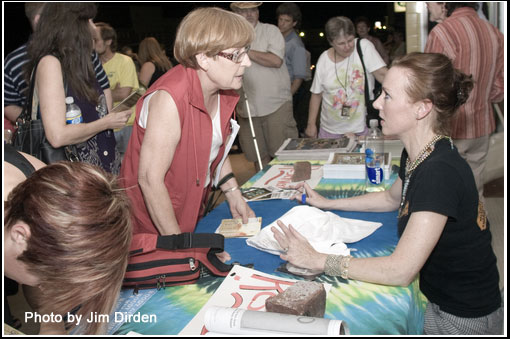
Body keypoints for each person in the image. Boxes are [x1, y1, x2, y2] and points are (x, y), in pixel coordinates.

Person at [272, 52, 502, 335]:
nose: (377, 103)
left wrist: (318, 259)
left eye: (388, 96)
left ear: (422, 108)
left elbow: (399, 270)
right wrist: (327, 202)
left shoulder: (439, 172)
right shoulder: (421, 152)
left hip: (459, 320)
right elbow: (390, 198)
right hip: (442, 302)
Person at [120, 7, 256, 243]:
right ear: (204, 58)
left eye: (247, 51)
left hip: (190, 208)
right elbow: (150, 181)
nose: (248, 62)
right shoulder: (170, 99)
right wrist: (181, 248)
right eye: (236, 55)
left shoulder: (223, 91)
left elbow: (214, 146)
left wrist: (233, 193)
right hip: (153, 224)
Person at [4, 144, 132, 335]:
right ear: (20, 236)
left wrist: (51, 323)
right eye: (50, 280)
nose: (49, 288)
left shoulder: (43, 185)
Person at [24, 3, 131, 174]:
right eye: (88, 21)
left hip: (101, 170)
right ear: (71, 26)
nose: (93, 27)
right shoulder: (51, 64)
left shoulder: (83, 61)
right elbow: (57, 135)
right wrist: (105, 123)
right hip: (75, 179)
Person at [424, 2, 504, 200]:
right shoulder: (494, 32)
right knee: (475, 188)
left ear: (444, 3)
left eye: (429, 2)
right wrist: (481, 96)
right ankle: (477, 227)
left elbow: (431, 85)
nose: (427, 7)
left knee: (445, 190)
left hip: (450, 127)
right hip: (482, 125)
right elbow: (499, 89)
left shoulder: (443, 32)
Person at [4, 2, 112, 135]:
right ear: (40, 20)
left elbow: (103, 87)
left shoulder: (83, 51)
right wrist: (38, 123)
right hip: (53, 144)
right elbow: (8, 103)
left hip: (93, 133)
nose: (93, 28)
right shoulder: (16, 60)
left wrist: (103, 125)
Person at [231, 2, 298, 171]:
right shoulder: (230, 36)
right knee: (258, 158)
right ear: (236, 13)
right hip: (247, 109)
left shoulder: (271, 31)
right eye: (244, 10)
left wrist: (244, 50)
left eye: (253, 9)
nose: (250, 14)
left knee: (284, 155)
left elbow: (275, 61)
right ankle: (265, 193)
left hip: (276, 106)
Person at [305, 16, 387, 139]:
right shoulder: (323, 59)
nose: (348, 46)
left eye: (350, 40)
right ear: (331, 42)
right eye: (341, 43)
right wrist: (311, 124)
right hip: (330, 130)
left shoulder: (364, 47)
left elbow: (383, 75)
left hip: (361, 128)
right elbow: (316, 94)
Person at [94, 22, 140, 158]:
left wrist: (99, 93)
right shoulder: (92, 65)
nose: (92, 43)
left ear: (108, 41)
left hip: (126, 125)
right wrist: (113, 91)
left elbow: (124, 93)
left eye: (96, 40)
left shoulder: (124, 61)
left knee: (130, 168)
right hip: (104, 127)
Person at [276, 2, 311, 135]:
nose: (282, 24)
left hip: (294, 91)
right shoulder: (277, 37)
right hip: (280, 88)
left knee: (291, 128)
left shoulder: (296, 45)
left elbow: (299, 77)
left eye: (287, 21)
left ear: (294, 23)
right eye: (280, 19)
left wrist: (288, 97)